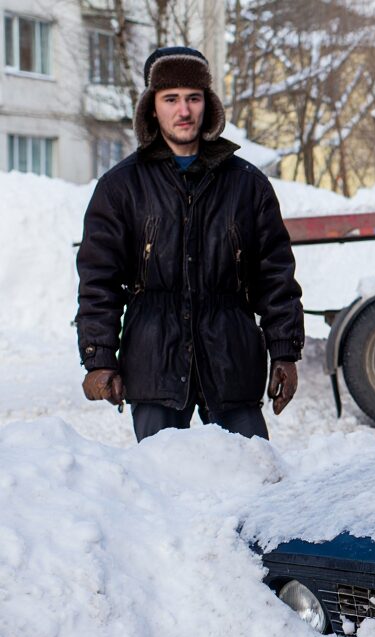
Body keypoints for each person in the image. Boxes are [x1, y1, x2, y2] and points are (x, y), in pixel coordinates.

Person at [76, 46, 304, 442]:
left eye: (193, 98)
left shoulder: (247, 185)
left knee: (252, 472)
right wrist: (99, 358)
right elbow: (99, 281)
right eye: (171, 99)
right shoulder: (120, 187)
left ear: (208, 105)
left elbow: (275, 275)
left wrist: (284, 351)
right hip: (154, 363)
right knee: (161, 476)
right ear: (151, 108)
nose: (184, 111)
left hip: (231, 360)